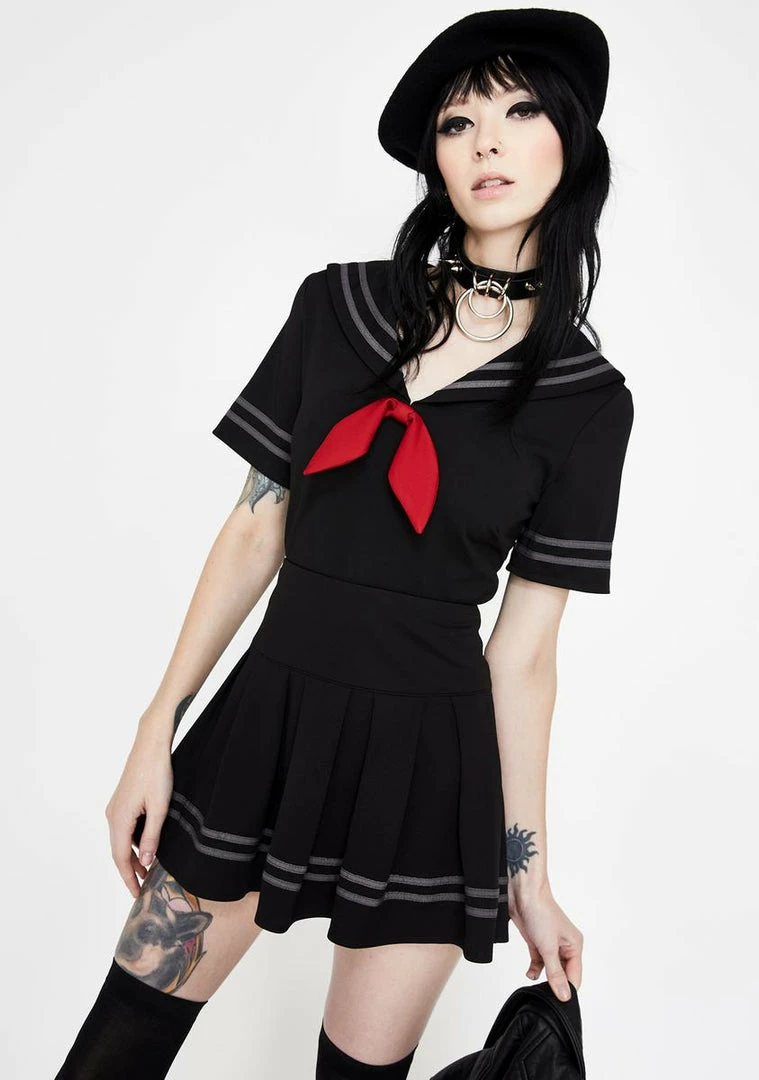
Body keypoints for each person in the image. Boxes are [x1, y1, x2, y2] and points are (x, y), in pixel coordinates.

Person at [53, 8, 634, 1079]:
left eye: (518, 113)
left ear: (572, 142)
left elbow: (523, 654)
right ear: (436, 162)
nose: (487, 142)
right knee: (112, 1053)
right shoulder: (337, 307)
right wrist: (154, 728)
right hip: (263, 728)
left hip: (430, 773)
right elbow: (254, 526)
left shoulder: (586, 400)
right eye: (457, 124)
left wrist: (530, 873)